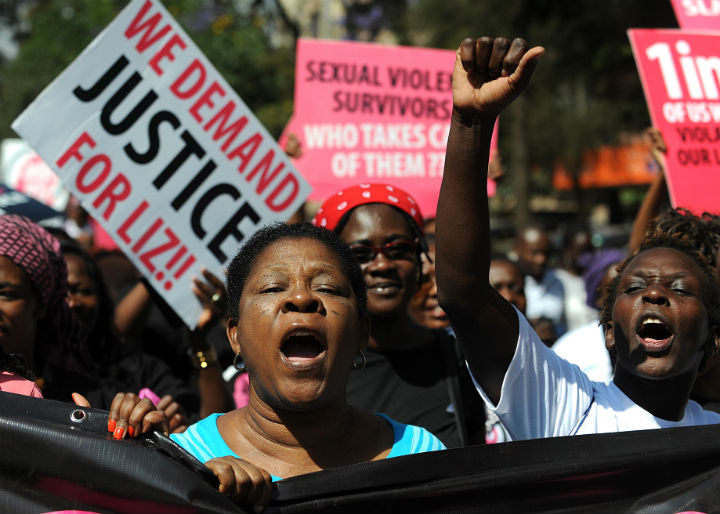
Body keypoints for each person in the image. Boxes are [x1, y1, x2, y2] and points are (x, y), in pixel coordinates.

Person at [435, 35, 720, 441]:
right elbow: (463, 295)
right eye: (635, 287)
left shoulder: (712, 439)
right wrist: (471, 124)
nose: (654, 296)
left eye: (679, 289)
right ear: (607, 330)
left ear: (712, 340)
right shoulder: (565, 405)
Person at [105, 223, 444, 511]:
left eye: (326, 288)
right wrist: (198, 498)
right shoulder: (185, 463)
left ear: (361, 335)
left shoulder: (421, 459)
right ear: (235, 337)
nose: (301, 299)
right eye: (272, 288)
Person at [313, 184, 486, 447]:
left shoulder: (459, 357)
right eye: (360, 254)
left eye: (399, 250)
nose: (382, 265)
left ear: (419, 258)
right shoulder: (308, 364)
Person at [515, 223, 567, 337]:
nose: (541, 259)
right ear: (518, 249)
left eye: (546, 253)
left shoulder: (557, 281)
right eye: (534, 252)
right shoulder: (509, 283)